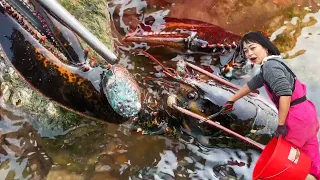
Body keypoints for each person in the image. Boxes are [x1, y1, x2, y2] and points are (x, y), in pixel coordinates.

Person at [220, 31, 320, 179]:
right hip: (308, 113)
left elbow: (285, 94)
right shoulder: (275, 62)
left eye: (253, 48)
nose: (249, 54)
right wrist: (231, 100)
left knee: (287, 160)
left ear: (265, 47)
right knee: (312, 156)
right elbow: (252, 84)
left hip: (295, 118)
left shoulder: (270, 68)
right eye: (246, 51)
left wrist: (281, 124)